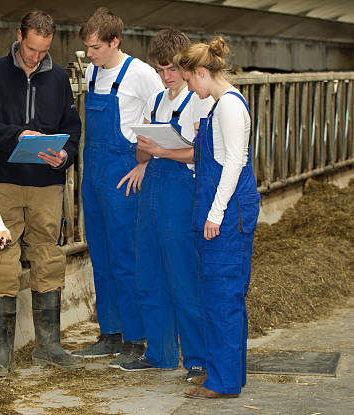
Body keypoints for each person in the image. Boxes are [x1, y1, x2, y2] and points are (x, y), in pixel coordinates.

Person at [0, 10, 84, 378]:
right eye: (32, 48)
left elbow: (72, 127)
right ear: (19, 36)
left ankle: (49, 345)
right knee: (2, 253)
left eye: (43, 50)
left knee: (48, 254)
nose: (36, 57)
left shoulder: (59, 78)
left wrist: (65, 155)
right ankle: (4, 352)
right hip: (3, 179)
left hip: (46, 183)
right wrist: (17, 135)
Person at [115, 29, 213, 384]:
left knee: (184, 279)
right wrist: (143, 150)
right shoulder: (157, 101)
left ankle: (199, 360)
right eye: (160, 70)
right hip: (152, 195)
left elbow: (202, 152)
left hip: (179, 195)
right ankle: (160, 353)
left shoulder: (198, 101)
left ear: (185, 66)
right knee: (150, 275)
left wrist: (160, 151)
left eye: (171, 69)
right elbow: (143, 151)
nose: (166, 77)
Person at [72, 7, 163, 368]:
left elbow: (163, 115)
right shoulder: (94, 72)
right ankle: (109, 332)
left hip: (122, 171)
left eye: (95, 48)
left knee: (127, 256)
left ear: (115, 41)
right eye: (87, 47)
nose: (89, 55)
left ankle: (136, 337)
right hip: (94, 173)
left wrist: (145, 161)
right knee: (101, 253)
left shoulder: (141, 74)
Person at [173, 36, 261, 398]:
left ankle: (223, 381)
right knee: (216, 295)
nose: (190, 89)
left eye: (190, 81)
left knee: (223, 297)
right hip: (217, 209)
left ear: (202, 72)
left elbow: (235, 165)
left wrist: (215, 213)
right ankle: (222, 372)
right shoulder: (217, 106)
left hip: (226, 214)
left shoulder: (228, 107)